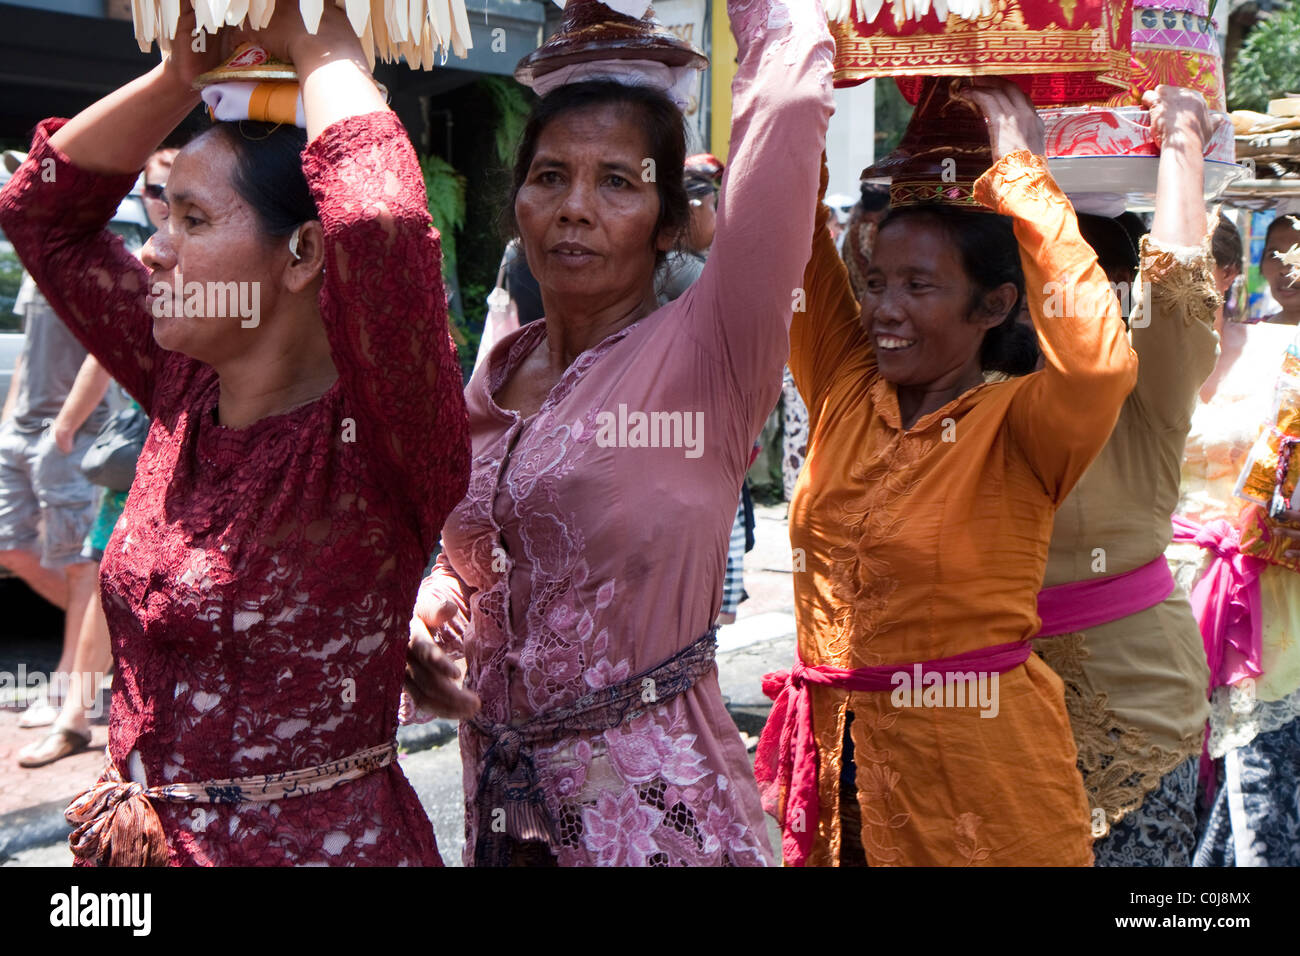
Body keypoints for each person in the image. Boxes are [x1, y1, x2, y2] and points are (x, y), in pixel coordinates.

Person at [0, 5, 470, 865]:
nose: (152, 251)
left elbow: (377, 224)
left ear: (301, 256)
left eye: (192, 219)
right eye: (161, 215)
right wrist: (181, 72)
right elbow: (43, 214)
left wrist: (318, 38)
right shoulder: (182, 382)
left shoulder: (385, 439)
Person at [404, 0, 834, 866]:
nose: (574, 208)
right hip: (502, 811)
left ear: (672, 224)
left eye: (618, 182)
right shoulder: (493, 374)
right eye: (551, 176)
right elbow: (487, 550)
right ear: (516, 201)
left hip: (662, 826)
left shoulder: (716, 350)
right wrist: (436, 600)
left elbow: (789, 100)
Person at [757, 77, 1137, 866]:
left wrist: (1023, 176)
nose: (883, 309)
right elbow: (783, 227)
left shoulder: (1023, 423)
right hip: (837, 776)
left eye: (918, 286)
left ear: (996, 305)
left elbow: (1100, 363)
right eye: (875, 283)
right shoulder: (844, 384)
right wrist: (798, 89)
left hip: (983, 788)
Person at [1032, 86, 1222, 866]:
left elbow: (1177, 288)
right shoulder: (980, 375)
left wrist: (1179, 136)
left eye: (1099, 280)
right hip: (983, 702)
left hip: (1132, 710)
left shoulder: (1150, 378)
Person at [18, 148, 174, 769]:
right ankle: (75, 712)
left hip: (213, 446)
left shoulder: (232, 257)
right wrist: (67, 423)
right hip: (146, 445)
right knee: (108, 567)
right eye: (156, 191)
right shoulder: (155, 258)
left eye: (164, 190)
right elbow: (103, 349)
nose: (157, 203)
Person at [1171, 221, 1300, 866]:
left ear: (1226, 277)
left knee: (1260, 785)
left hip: (1260, 589)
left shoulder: (1282, 346)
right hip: (1159, 589)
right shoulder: (1132, 356)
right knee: (1171, 788)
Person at [0, 275, 110, 729]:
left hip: (72, 436)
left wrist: (64, 430)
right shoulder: (34, 267)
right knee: (10, 546)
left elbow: (105, 350)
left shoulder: (87, 266)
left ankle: (69, 684)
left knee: (78, 562)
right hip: (21, 433)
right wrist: (9, 422)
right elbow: (27, 351)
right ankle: (110, 640)